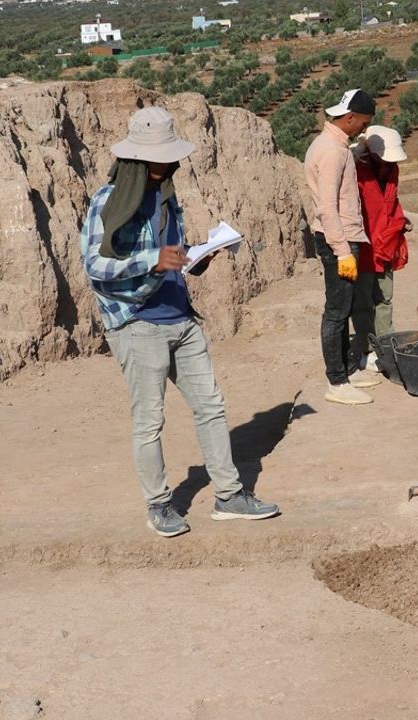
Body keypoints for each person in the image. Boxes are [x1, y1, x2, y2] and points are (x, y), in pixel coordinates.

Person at [80, 106, 279, 538]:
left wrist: (199, 254)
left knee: (211, 406)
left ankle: (229, 496)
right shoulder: (107, 201)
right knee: (149, 420)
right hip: (136, 323)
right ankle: (159, 504)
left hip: (180, 316)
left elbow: (173, 256)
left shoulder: (168, 197)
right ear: (136, 158)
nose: (170, 164)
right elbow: (95, 265)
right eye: (162, 157)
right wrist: (153, 260)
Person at [304, 88, 382, 405]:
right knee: (337, 311)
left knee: (345, 307)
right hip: (338, 239)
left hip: (342, 237)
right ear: (350, 118)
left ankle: (347, 371)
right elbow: (327, 207)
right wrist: (342, 250)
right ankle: (336, 382)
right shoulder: (332, 151)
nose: (363, 129)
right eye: (363, 123)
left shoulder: (335, 146)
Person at [353, 125, 411, 366]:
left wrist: (401, 219)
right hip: (365, 247)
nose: (388, 165)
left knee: (385, 298)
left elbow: (390, 202)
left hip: (386, 244)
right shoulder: (355, 171)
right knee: (363, 302)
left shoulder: (392, 170)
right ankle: (366, 349)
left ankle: (386, 344)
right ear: (373, 154)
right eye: (384, 160)